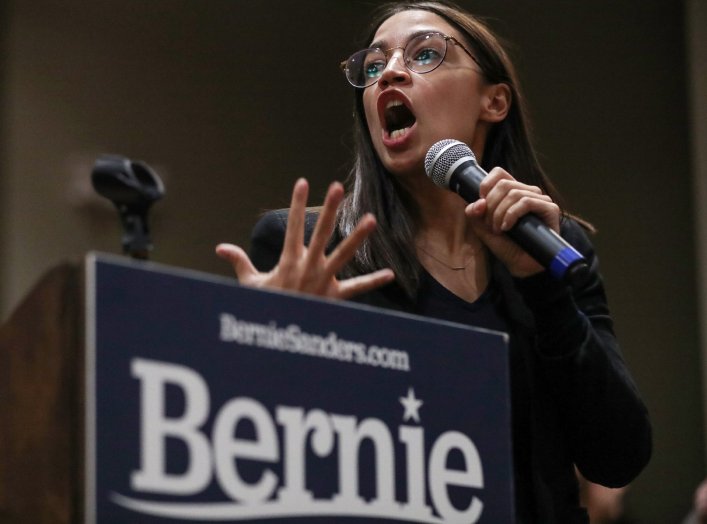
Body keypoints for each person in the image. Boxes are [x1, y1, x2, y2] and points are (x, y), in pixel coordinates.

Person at [216, 1, 652, 522]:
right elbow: (250, 448)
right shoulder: (314, 250)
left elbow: (618, 456)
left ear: (494, 101)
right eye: (373, 67)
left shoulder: (552, 243)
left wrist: (543, 287)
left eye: (425, 55)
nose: (390, 72)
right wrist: (267, 342)